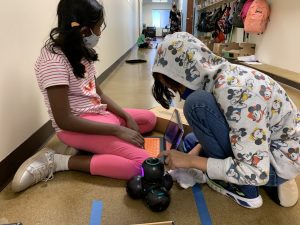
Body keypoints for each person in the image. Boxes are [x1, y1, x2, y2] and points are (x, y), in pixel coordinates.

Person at [12, 0, 156, 192]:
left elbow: (99, 93)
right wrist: (117, 131)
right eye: (99, 27)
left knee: (150, 119)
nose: (100, 33)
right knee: (143, 166)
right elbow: (64, 120)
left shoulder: (81, 51)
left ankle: (97, 144)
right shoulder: (53, 61)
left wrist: (126, 117)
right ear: (85, 31)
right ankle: (60, 161)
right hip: (75, 127)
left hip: (99, 115)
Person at [152, 32, 300, 208]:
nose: (180, 95)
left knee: (196, 105)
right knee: (193, 140)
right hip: (275, 144)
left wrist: (190, 161)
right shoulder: (220, 74)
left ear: (186, 74)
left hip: (270, 166)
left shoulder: (236, 92)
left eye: (176, 86)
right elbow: (235, 123)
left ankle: (246, 191)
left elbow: (255, 172)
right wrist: (194, 152)